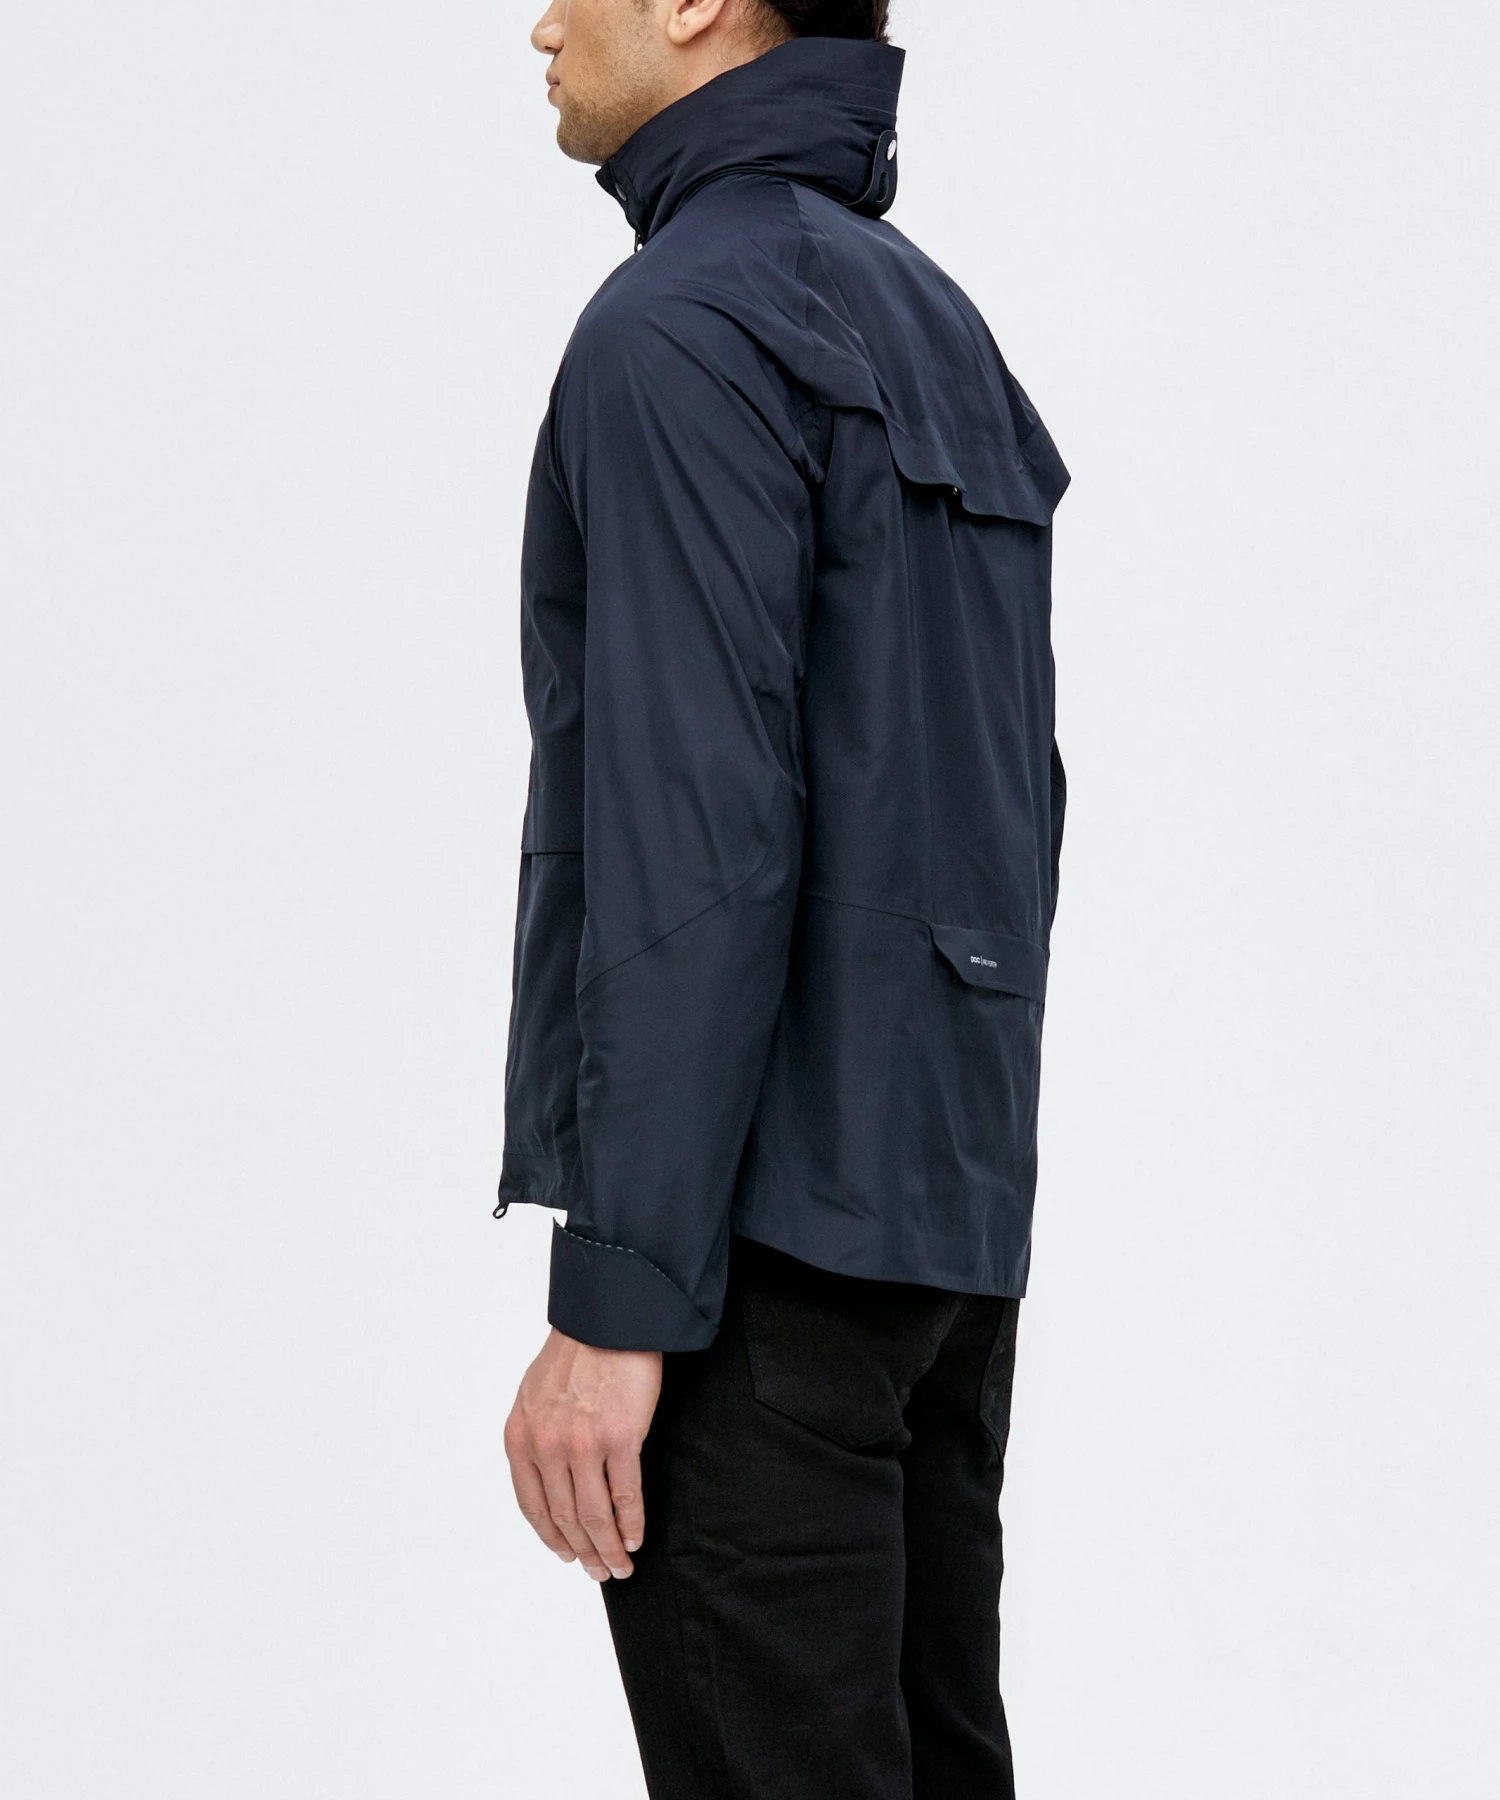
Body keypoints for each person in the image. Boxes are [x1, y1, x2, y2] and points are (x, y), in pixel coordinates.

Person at [498, 3, 1068, 1794]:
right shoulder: (931, 318)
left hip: (745, 1255)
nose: (541, 24)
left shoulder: (676, 327)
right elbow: (1017, 804)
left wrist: (618, 1298)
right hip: (935, 1240)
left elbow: (696, 835)